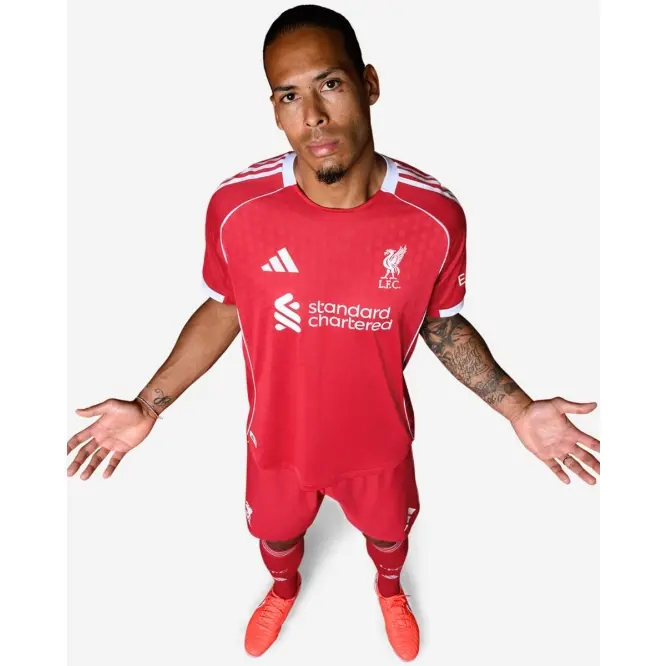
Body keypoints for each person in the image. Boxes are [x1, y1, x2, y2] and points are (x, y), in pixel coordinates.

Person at [67, 4, 600, 662]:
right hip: (278, 442)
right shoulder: (237, 208)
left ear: (369, 84)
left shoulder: (434, 218)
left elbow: (439, 321)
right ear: (275, 110)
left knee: (389, 536)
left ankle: (390, 589)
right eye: (289, 96)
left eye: (330, 84)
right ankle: (284, 588)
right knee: (276, 535)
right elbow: (225, 307)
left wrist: (517, 408)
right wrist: (149, 405)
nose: (313, 116)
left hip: (379, 443)